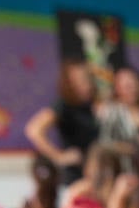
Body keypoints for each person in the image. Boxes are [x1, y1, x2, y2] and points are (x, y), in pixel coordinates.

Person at [25, 60, 101, 188]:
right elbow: (34, 130)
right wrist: (59, 156)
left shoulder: (93, 106)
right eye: (81, 80)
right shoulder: (64, 105)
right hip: (75, 177)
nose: (86, 84)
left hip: (97, 175)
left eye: (88, 78)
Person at [97, 66, 139, 160]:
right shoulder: (112, 113)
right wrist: (126, 148)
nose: (132, 90)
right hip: (123, 167)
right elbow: (103, 143)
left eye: (133, 85)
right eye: (127, 86)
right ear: (117, 89)